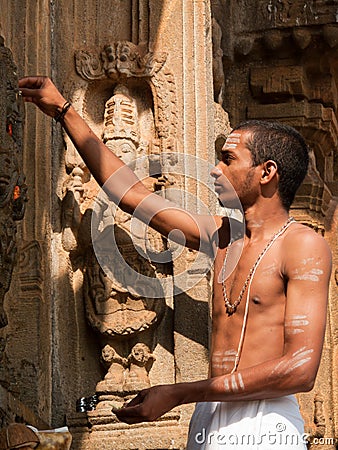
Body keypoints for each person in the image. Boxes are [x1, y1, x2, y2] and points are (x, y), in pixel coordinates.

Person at [19, 76, 332, 449]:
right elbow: (129, 193)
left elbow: (301, 369)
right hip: (209, 416)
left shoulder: (304, 246)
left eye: (229, 160)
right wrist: (64, 111)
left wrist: (181, 392)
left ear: (266, 173)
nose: (216, 170)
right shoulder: (221, 235)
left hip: (266, 422)